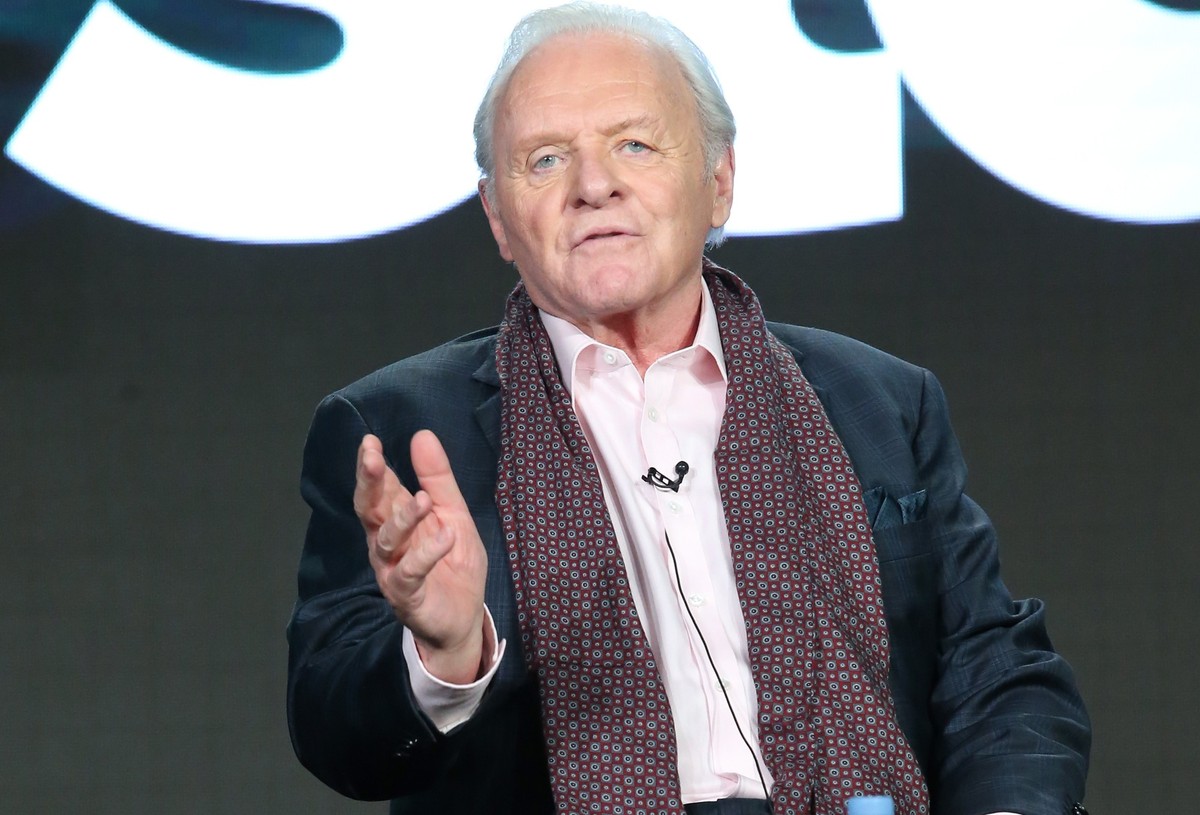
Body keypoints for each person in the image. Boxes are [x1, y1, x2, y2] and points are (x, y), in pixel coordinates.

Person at [286, 4, 1090, 815]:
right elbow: (332, 729)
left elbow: (997, 668)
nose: (593, 185)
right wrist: (446, 652)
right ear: (498, 217)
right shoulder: (399, 426)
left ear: (720, 181)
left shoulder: (876, 398)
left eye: (634, 144)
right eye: (545, 158)